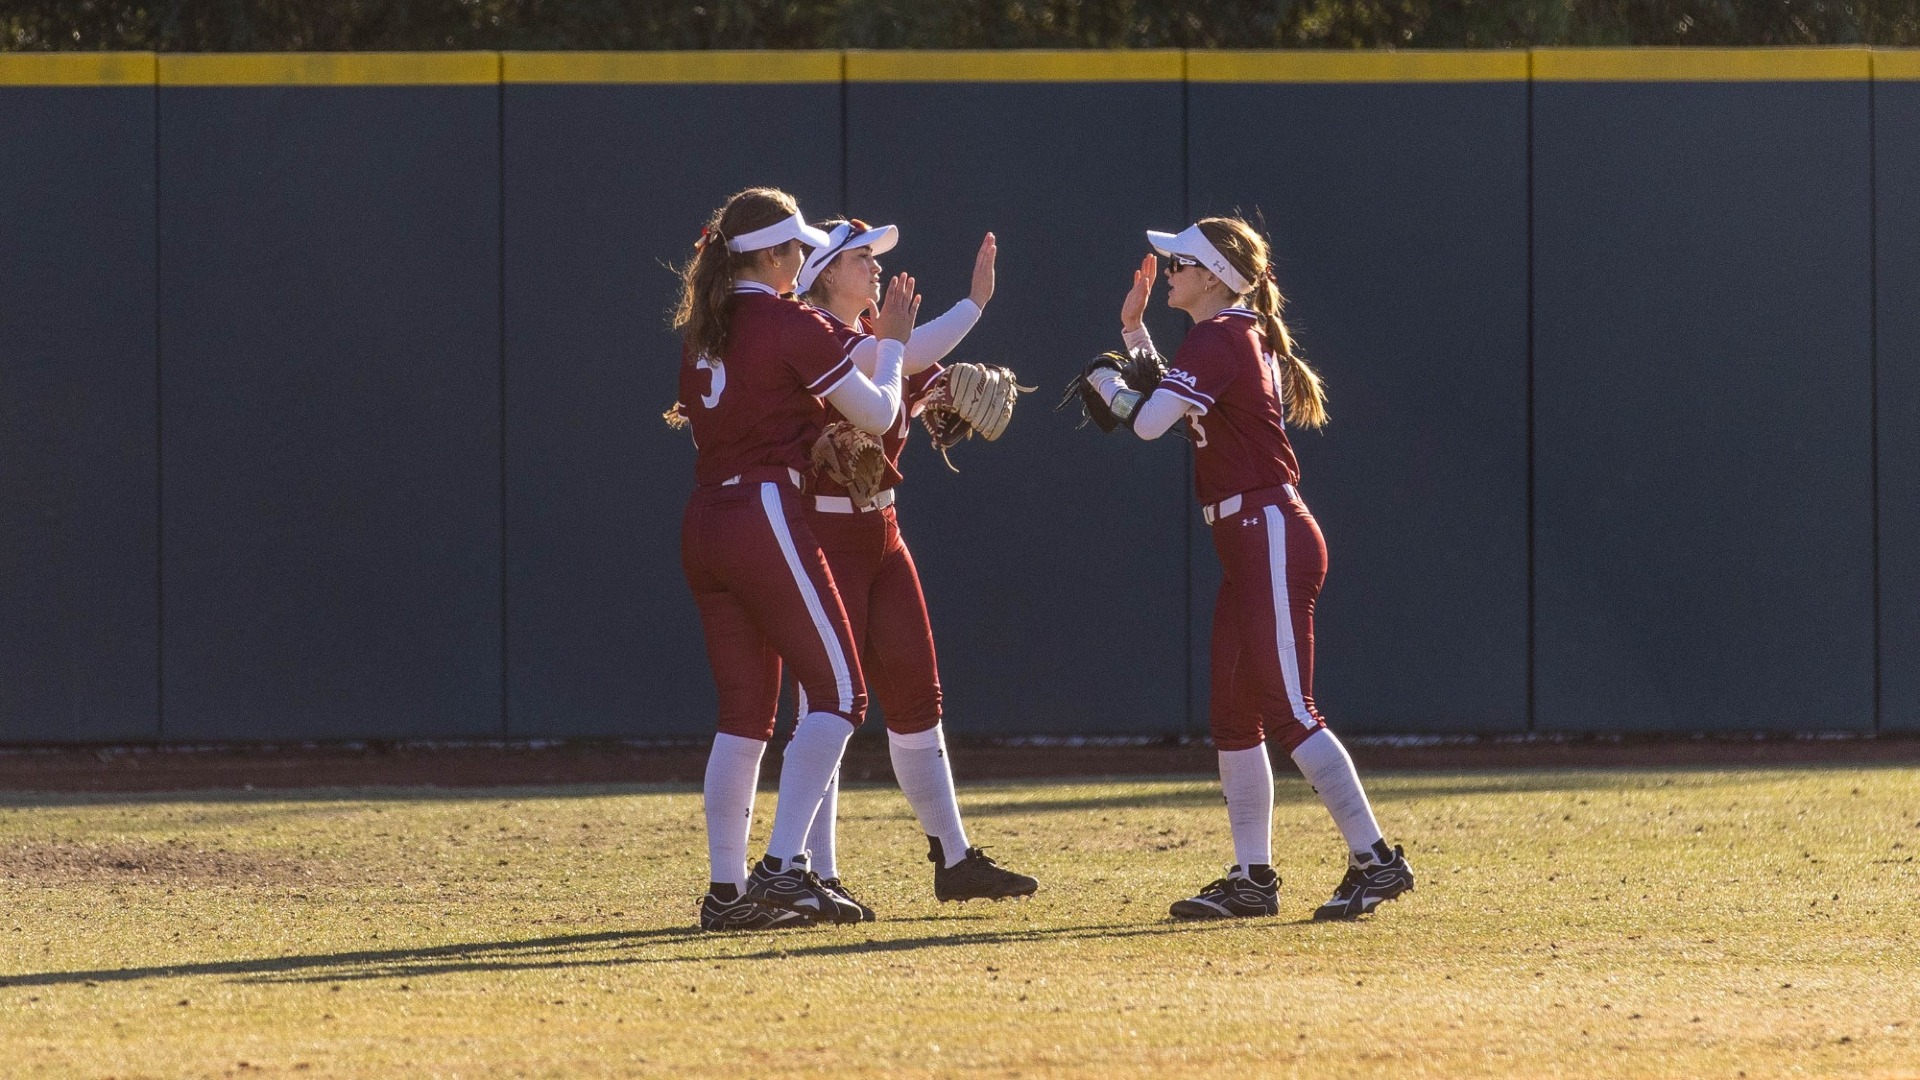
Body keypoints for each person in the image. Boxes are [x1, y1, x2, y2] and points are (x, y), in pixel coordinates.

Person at [1076, 215, 1415, 921]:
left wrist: (1109, 386)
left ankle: (1376, 859)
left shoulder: (1220, 335)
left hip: (1267, 531)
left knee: (1290, 711)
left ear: (1212, 277)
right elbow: (1178, 399)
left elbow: (1149, 420)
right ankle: (1253, 878)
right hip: (1250, 536)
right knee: (1233, 716)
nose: (1169, 273)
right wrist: (1134, 334)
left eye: (1180, 264)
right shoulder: (1226, 333)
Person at [670, 187, 920, 931]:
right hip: (764, 511)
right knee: (841, 695)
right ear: (775, 255)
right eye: (798, 250)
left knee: (745, 715)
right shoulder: (788, 320)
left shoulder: (707, 329)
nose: (804, 261)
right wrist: (895, 345)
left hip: (706, 517)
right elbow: (878, 412)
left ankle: (726, 894)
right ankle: (783, 868)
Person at [786, 220, 1039, 916]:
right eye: (860, 257)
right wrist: (972, 305)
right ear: (822, 274)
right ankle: (812, 869)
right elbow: (888, 355)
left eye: (875, 257)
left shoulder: (876, 336)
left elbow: (910, 371)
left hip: (882, 534)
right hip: (826, 534)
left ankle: (953, 858)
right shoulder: (811, 331)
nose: (875, 267)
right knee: (826, 704)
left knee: (918, 698)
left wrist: (944, 391)